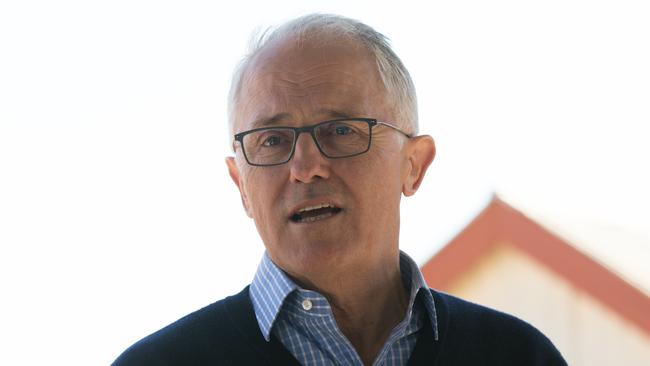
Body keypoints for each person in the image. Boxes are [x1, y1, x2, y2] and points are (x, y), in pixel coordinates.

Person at [113, 14, 567, 366]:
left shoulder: (518, 356)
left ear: (414, 165)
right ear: (241, 186)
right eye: (271, 141)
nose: (305, 167)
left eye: (342, 131)